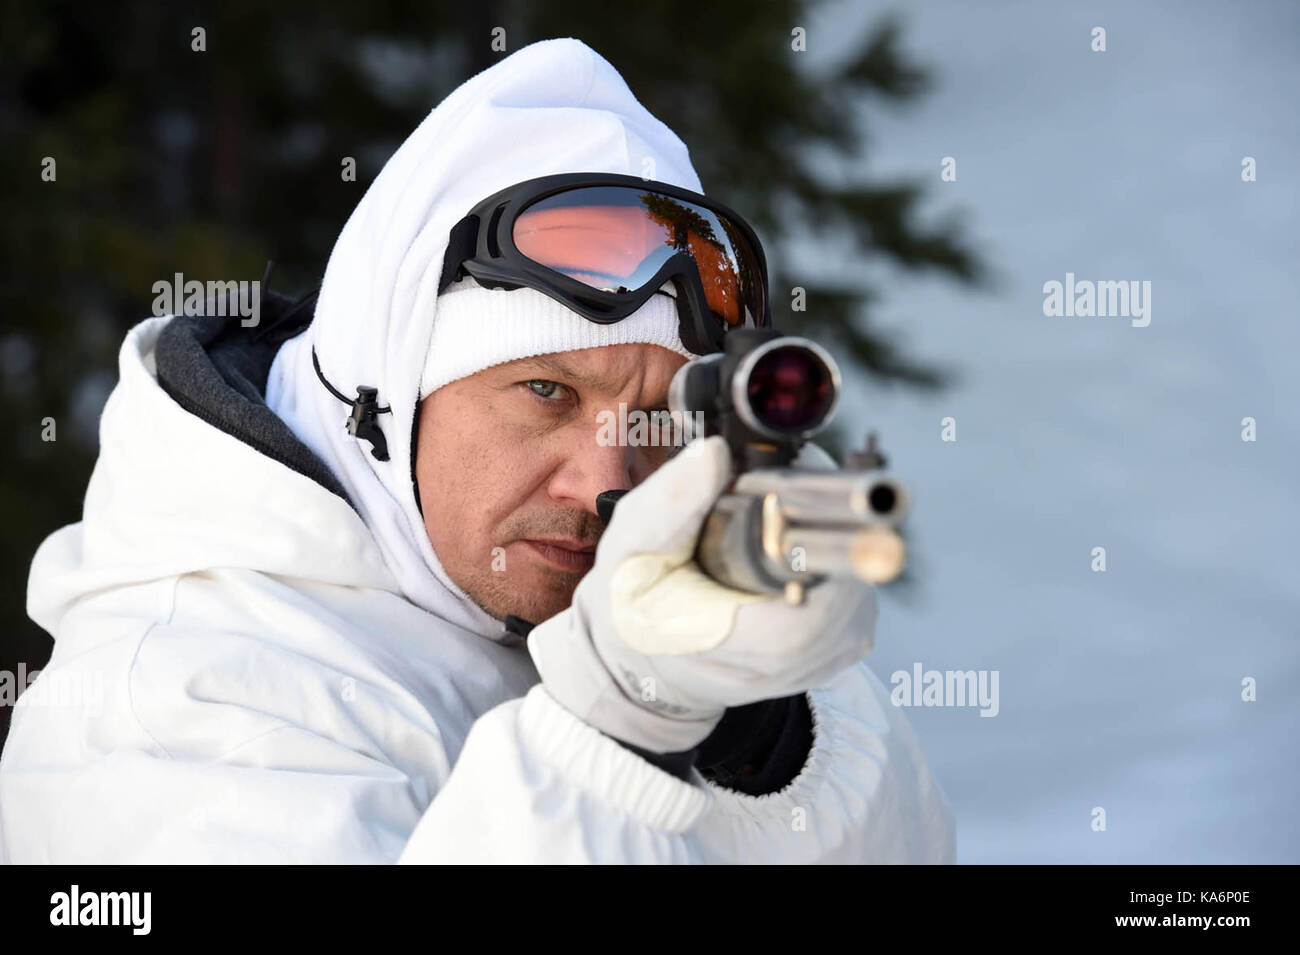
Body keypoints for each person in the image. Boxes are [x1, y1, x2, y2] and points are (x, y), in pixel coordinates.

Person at [0, 37, 954, 863]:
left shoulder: (632, 607)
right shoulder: (169, 705)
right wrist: (623, 723)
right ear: (383, 388)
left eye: (660, 416)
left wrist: (762, 732)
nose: (608, 484)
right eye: (547, 393)